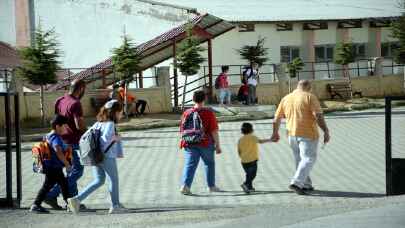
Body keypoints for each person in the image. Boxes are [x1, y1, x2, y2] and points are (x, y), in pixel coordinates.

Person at [271, 80, 330, 195]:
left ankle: (306, 184)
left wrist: (275, 133)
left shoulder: (286, 98)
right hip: (308, 134)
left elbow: (276, 118)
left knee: (300, 160)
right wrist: (326, 131)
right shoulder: (309, 97)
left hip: (291, 134)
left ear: (297, 87)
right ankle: (296, 183)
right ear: (309, 87)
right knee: (308, 158)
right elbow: (318, 115)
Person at [68, 99, 125, 214]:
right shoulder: (110, 124)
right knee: (113, 180)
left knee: (99, 180)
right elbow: (105, 140)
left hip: (95, 156)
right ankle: (115, 205)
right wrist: (116, 138)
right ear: (115, 112)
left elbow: (85, 137)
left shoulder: (97, 123)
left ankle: (76, 199)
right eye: (120, 112)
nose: (121, 114)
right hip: (106, 156)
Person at [45, 79, 86, 209]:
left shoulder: (60, 100)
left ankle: (73, 202)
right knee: (77, 170)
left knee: (71, 172)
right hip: (72, 142)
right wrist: (88, 131)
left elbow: (56, 121)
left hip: (61, 140)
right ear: (80, 89)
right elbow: (79, 125)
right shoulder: (76, 103)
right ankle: (51, 194)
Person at [179, 90, 222, 195]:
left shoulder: (187, 113)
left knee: (190, 164)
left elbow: (182, 129)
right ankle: (211, 186)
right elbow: (214, 130)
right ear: (204, 99)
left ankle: (185, 186)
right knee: (209, 164)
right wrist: (218, 145)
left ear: (193, 99)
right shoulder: (208, 113)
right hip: (205, 143)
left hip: (189, 142)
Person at [30, 115, 72, 213]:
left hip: (51, 166)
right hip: (54, 167)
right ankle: (36, 205)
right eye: (64, 126)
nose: (66, 128)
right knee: (58, 185)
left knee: (59, 184)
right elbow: (58, 150)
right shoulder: (55, 137)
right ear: (58, 126)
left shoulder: (49, 135)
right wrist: (66, 164)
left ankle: (69, 204)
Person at [238, 122, 271, 193]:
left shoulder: (240, 139)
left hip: (244, 161)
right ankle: (245, 184)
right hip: (252, 160)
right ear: (251, 130)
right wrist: (270, 139)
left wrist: (241, 157)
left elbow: (239, 150)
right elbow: (261, 141)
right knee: (253, 174)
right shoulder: (253, 137)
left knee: (248, 174)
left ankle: (249, 188)